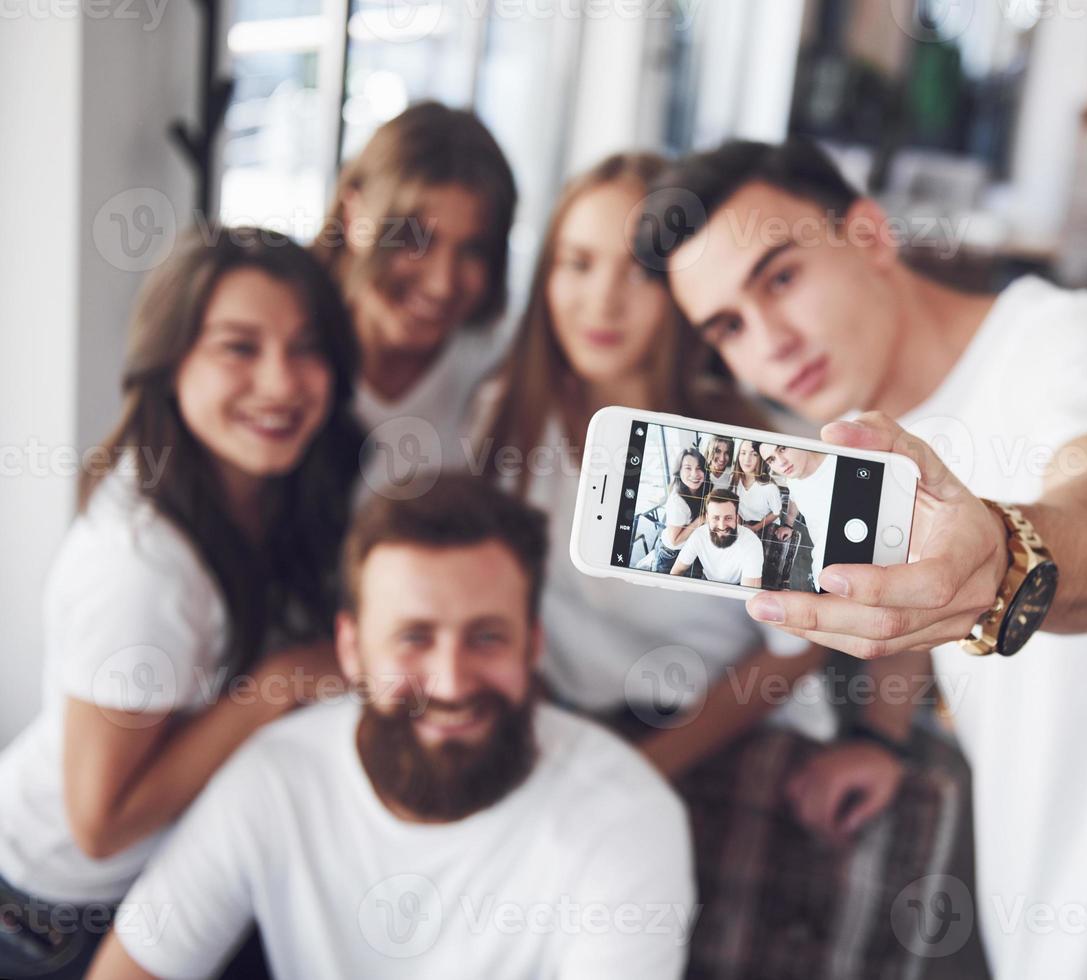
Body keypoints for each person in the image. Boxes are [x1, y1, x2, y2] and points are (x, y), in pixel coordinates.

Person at [637, 138, 1087, 978]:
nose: (770, 345)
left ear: (867, 236)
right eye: (728, 327)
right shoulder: (876, 441)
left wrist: (1005, 559)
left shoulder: (1075, 348)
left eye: (780, 278)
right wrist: (881, 733)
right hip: (1046, 927)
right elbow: (930, 573)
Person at [470, 152, 953, 978]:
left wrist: (880, 736)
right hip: (564, 735)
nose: (600, 301)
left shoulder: (749, 443)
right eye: (575, 264)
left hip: (719, 738)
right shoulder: (500, 420)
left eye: (633, 272)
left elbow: (812, 636)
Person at [86, 475, 697, 980]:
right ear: (351, 650)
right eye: (414, 638)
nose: (452, 682)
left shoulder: (625, 814)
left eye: (487, 637)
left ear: (532, 646)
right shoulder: (276, 778)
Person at [0, 228, 359, 979]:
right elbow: (99, 826)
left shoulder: (274, 486)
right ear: (171, 362)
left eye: (306, 347)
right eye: (238, 347)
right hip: (55, 908)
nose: (281, 382)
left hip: (170, 865)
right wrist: (280, 686)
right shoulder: (141, 565)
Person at [313, 101, 517, 491]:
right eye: (416, 240)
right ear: (354, 215)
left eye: (474, 249)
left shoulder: (499, 368)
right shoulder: (281, 351)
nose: (443, 283)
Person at [758, 441, 835, 584]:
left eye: (782, 448)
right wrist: (788, 524)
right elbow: (794, 497)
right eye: (772, 459)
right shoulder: (792, 479)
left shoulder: (836, 459)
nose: (781, 462)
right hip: (822, 575)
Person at [671, 489, 763, 587]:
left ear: (736, 518)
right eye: (716, 518)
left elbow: (748, 592)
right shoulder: (698, 536)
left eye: (728, 518)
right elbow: (676, 571)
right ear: (707, 518)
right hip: (707, 582)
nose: (722, 526)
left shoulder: (752, 543)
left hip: (737, 587)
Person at [652, 447, 709, 573]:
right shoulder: (677, 501)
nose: (694, 474)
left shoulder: (701, 489)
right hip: (670, 553)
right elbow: (675, 540)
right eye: (688, 468)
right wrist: (701, 519)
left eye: (699, 468)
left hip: (688, 549)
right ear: (679, 470)